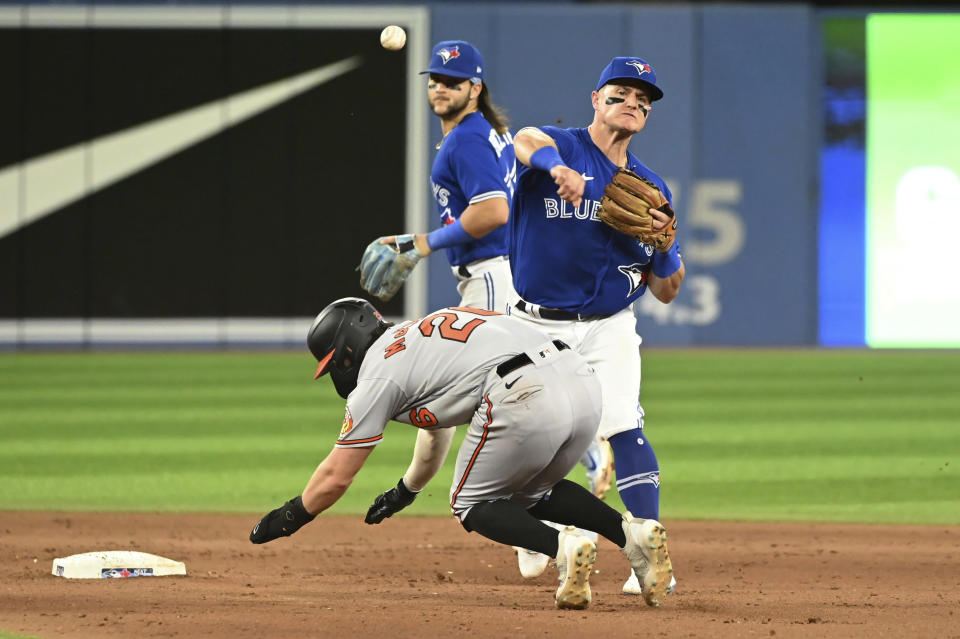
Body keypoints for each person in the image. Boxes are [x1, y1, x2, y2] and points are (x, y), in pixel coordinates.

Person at [362, 39, 614, 575]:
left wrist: (421, 243)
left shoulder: (466, 141)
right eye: (434, 79)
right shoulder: (486, 134)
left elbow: (495, 211)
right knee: (486, 394)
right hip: (492, 275)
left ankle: (587, 456)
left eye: (452, 81)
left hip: (492, 277)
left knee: (504, 390)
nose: (439, 88)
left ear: (475, 88)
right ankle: (544, 510)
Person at [248, 297, 674, 609]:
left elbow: (336, 476)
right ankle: (633, 538)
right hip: (579, 379)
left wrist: (288, 517)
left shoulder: (377, 374)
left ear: (345, 350)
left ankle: (562, 549)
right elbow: (434, 434)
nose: (334, 372)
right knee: (528, 495)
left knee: (470, 503)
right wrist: (405, 490)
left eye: (331, 363)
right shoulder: (419, 331)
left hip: (524, 390)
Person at [505, 56, 686, 596]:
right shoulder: (556, 146)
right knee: (524, 438)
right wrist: (555, 169)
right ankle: (547, 536)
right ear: (595, 99)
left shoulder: (649, 187)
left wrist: (666, 247)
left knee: (624, 427)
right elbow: (523, 138)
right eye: (621, 94)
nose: (633, 104)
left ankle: (646, 557)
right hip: (536, 327)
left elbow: (668, 290)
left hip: (609, 325)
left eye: (643, 101)